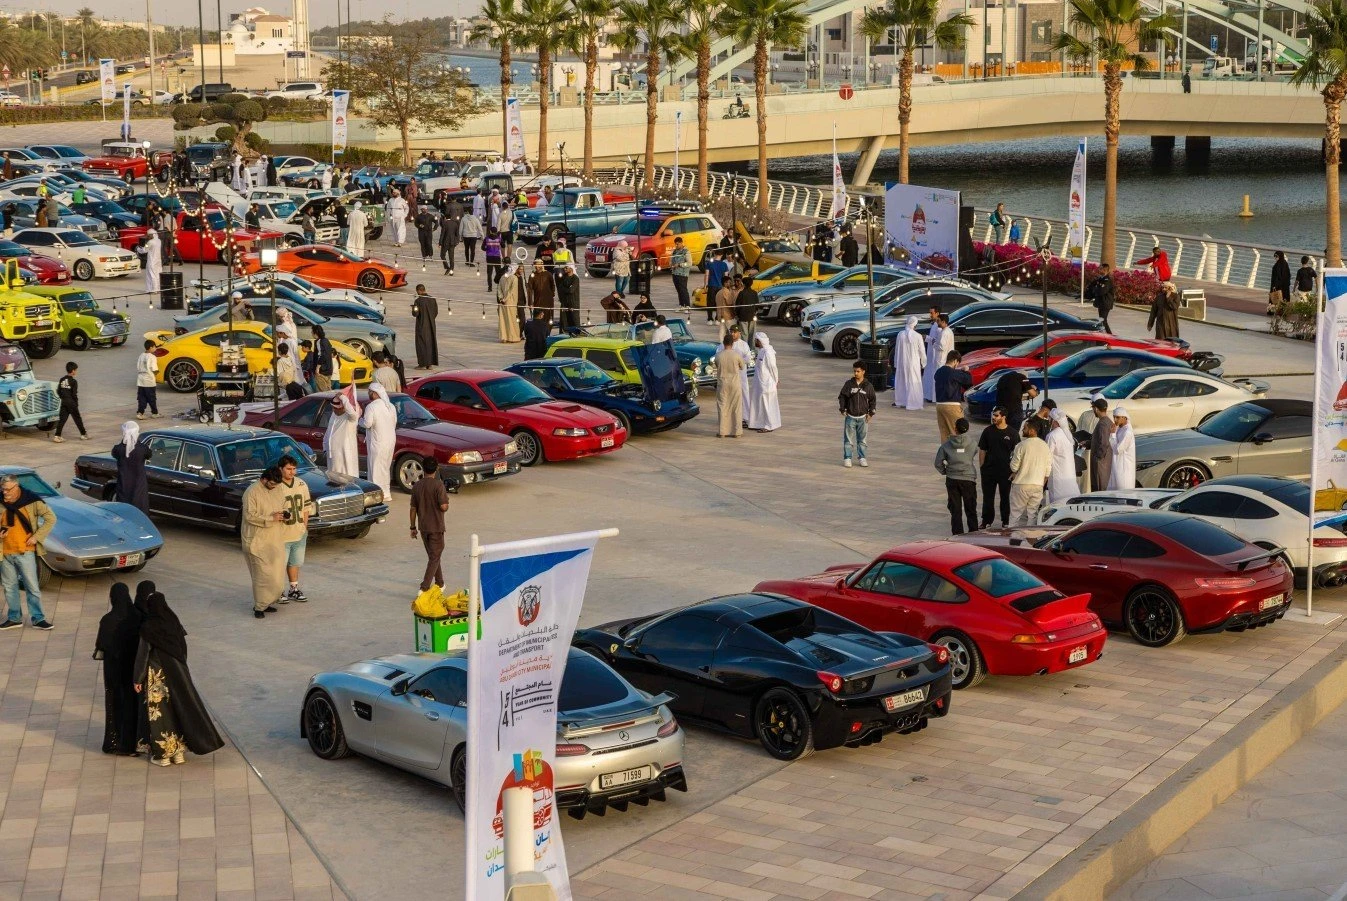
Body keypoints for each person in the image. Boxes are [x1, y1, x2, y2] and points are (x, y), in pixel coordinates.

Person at [133, 590, 225, 763]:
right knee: (179, 709)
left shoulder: (148, 627)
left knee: (160, 714)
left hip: (157, 676)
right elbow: (183, 648)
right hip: (178, 673)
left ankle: (163, 755)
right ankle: (179, 752)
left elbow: (143, 654)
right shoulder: (174, 622)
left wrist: (137, 679)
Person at [0, 475, 55, 631]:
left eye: (8, 489)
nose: (5, 493)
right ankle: (14, 618)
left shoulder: (31, 501)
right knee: (9, 587)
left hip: (25, 552)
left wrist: (36, 537)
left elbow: (51, 518)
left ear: (17, 487)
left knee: (32, 587)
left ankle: (38, 619)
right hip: (4, 552)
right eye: (3, 489)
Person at [95, 583, 142, 755]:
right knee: (132, 704)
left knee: (116, 703)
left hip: (114, 670)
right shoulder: (137, 616)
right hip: (133, 669)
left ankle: (116, 742)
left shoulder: (108, 620)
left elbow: (101, 645)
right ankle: (135, 742)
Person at [240, 467, 289, 619]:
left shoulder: (278, 488)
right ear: (264, 479)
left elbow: (284, 505)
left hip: (275, 538)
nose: (274, 487)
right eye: (272, 484)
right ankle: (259, 607)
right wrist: (271, 518)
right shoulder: (251, 492)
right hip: (256, 540)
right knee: (261, 576)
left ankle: (268, 601)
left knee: (276, 575)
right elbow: (249, 516)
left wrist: (285, 514)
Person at [274, 454, 312, 604]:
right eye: (289, 469)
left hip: (298, 531)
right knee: (279, 564)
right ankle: (278, 591)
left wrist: (304, 526)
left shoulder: (301, 483)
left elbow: (306, 507)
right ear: (280, 469)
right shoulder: (275, 485)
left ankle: (293, 589)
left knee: (295, 562)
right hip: (282, 534)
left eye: (294, 469)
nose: (292, 472)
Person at [410, 456, 449, 592]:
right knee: (434, 556)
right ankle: (424, 588)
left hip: (423, 528)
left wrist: (412, 527)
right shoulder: (438, 485)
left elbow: (413, 509)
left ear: (423, 468)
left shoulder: (417, 486)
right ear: (436, 468)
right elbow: (444, 506)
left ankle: (440, 583)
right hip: (436, 527)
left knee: (434, 556)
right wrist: (446, 501)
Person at [935, 418, 978, 534]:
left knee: (955, 509)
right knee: (971, 508)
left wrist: (946, 471)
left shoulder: (946, 445)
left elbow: (938, 463)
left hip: (952, 479)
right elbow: (973, 453)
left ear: (955, 429)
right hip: (968, 479)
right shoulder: (973, 443)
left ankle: (957, 534)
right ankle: (973, 533)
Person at [977, 406, 1019, 528]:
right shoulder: (988, 431)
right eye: (993, 415)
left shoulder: (1013, 433)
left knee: (1005, 497)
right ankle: (986, 520)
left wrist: (1015, 471)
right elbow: (982, 450)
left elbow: (1017, 453)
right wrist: (982, 467)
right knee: (988, 497)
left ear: (1003, 417)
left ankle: (1005, 521)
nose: (993, 417)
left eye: (996, 415)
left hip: (1005, 472)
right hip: (989, 471)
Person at [1008, 418, 1052, 526]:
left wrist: (1014, 471)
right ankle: (1030, 540)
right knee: (1033, 515)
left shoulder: (1021, 445)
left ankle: (1013, 540)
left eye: (1025, 428)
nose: (1023, 430)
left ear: (1032, 430)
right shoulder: (1045, 446)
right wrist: (1041, 483)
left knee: (1015, 515)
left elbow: (1014, 467)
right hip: (1037, 485)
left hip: (1021, 485)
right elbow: (1048, 470)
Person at [362, 383, 397, 502]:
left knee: (376, 468)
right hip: (390, 441)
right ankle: (386, 493)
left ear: (375, 393)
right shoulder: (391, 406)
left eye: (369, 392)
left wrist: (359, 420)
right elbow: (394, 422)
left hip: (378, 442)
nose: (368, 394)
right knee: (385, 468)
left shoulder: (371, 407)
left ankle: (377, 495)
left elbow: (367, 424)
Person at [839, 362, 876, 467]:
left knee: (862, 440)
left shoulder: (868, 386)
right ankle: (847, 458)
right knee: (848, 440)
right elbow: (842, 396)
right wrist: (842, 409)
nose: (856, 373)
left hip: (863, 418)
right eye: (854, 371)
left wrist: (871, 413)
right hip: (850, 417)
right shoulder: (849, 384)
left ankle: (862, 457)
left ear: (863, 371)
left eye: (858, 371)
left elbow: (873, 400)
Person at [934, 350, 973, 441]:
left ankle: (945, 454)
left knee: (944, 434)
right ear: (955, 361)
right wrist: (966, 371)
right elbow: (968, 381)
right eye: (958, 363)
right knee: (957, 432)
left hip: (939, 405)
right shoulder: (954, 373)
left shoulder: (938, 372)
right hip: (952, 406)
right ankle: (957, 454)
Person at [715, 334, 747, 438]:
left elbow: (716, 365)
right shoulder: (736, 355)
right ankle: (737, 432)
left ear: (723, 343)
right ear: (732, 343)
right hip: (734, 383)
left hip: (722, 383)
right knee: (736, 407)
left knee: (722, 406)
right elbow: (742, 366)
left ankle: (722, 431)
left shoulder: (718, 355)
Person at [747, 333, 780, 432]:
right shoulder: (761, 351)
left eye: (757, 340)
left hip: (767, 384)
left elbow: (773, 368)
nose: (755, 342)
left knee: (767, 404)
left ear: (760, 341)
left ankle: (769, 425)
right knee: (759, 404)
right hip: (759, 384)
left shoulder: (768, 352)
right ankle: (757, 423)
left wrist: (776, 380)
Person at [891, 316, 926, 410]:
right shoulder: (918, 336)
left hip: (902, 362)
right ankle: (914, 403)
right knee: (913, 382)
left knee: (902, 381)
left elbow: (897, 350)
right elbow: (922, 351)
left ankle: (902, 401)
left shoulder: (900, 334)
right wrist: (924, 362)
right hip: (913, 363)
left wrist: (896, 363)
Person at [324, 391, 360, 478]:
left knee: (346, 478)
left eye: (336, 408)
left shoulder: (350, 418)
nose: (333, 410)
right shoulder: (334, 415)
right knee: (333, 479)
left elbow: (352, 413)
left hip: (345, 455)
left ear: (342, 407)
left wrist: (343, 398)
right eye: (332, 407)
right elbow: (328, 432)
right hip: (332, 455)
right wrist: (325, 447)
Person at [1046, 409, 1079, 503]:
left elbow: (1047, 457)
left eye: (1050, 419)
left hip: (1057, 475)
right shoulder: (1067, 435)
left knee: (1058, 502)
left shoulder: (1052, 436)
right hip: (1069, 473)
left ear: (1054, 420)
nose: (1049, 421)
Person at [52, 361, 87, 443]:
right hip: (71, 402)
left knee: (62, 419)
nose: (76, 372)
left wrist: (63, 398)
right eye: (76, 370)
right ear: (73, 371)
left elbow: (58, 391)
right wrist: (76, 403)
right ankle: (83, 434)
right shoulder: (74, 382)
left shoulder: (62, 379)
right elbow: (74, 394)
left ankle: (57, 436)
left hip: (64, 401)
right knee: (77, 418)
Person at [1088, 396, 1114, 491]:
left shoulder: (1103, 424)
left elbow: (1104, 443)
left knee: (1099, 488)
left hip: (1101, 462)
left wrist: (1098, 457)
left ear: (1096, 409)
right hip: (1104, 460)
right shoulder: (1107, 421)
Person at [411, 285, 439, 369]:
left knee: (421, 345)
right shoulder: (432, 299)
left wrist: (413, 308)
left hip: (421, 326)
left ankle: (422, 364)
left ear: (418, 291)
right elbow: (435, 312)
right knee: (430, 344)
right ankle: (429, 364)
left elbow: (415, 314)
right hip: (431, 326)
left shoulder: (418, 301)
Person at [1109, 406, 1136, 490]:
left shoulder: (1127, 432)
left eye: (1117, 417)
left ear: (1124, 417)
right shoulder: (1120, 428)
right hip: (1117, 467)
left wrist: (1112, 434)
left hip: (1124, 470)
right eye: (1114, 417)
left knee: (1123, 494)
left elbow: (1117, 450)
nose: (1115, 420)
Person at [730, 324, 752, 425]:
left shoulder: (744, 344)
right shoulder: (726, 343)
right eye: (732, 332)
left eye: (735, 332)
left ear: (739, 333)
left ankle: (745, 417)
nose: (733, 334)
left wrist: (738, 362)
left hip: (741, 375)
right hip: (730, 375)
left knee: (744, 394)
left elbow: (748, 358)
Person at [1085, 264, 1116, 334]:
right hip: (1101, 303)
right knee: (1102, 320)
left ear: (1105, 270)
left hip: (1105, 303)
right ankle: (1105, 334)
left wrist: (1094, 289)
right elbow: (1092, 285)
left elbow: (1101, 291)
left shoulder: (1107, 281)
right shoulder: (1101, 279)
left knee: (1103, 320)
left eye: (1101, 269)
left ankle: (1110, 336)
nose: (1099, 270)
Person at [496, 267, 523, 343]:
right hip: (510, 302)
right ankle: (513, 337)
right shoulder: (514, 278)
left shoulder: (502, 277)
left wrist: (501, 298)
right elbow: (512, 290)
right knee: (512, 320)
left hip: (502, 302)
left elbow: (499, 289)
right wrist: (505, 299)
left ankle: (504, 337)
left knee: (503, 320)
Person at [922, 315, 944, 402]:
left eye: (932, 313)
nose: (930, 315)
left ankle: (933, 397)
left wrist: (928, 338)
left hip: (936, 357)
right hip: (931, 356)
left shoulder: (940, 328)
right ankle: (929, 396)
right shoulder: (934, 325)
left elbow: (938, 343)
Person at [136, 339, 159, 419]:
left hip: (141, 380)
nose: (155, 348)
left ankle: (140, 412)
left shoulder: (141, 355)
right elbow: (154, 369)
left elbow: (138, 366)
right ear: (151, 347)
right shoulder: (152, 357)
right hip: (149, 380)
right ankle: (154, 413)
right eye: (154, 347)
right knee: (151, 397)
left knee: (141, 397)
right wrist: (157, 374)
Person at [309, 325, 336, 392]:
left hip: (321, 371)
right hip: (329, 369)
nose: (311, 333)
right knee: (328, 390)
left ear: (316, 333)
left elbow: (322, 355)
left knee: (323, 392)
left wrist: (317, 368)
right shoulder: (326, 340)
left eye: (312, 332)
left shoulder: (319, 341)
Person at [704, 250, 729, 323]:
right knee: (719, 303)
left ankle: (710, 319)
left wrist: (705, 285)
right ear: (722, 255)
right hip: (720, 286)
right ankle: (717, 319)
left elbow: (707, 275)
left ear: (714, 254)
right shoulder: (724, 264)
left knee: (710, 302)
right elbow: (726, 276)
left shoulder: (709, 263)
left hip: (711, 285)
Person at [528, 258, 555, 322]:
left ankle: (547, 331)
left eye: (538, 265)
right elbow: (529, 289)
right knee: (538, 317)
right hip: (538, 300)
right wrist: (530, 303)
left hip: (548, 300)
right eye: (536, 265)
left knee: (548, 317)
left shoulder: (548, 274)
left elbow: (552, 285)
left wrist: (552, 294)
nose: (537, 267)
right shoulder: (532, 276)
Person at [735, 275, 759, 344]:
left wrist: (737, 314)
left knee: (744, 334)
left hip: (743, 317)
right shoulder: (754, 293)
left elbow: (737, 305)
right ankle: (752, 349)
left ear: (743, 284)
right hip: (752, 316)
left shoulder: (741, 293)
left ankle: (745, 349)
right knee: (752, 334)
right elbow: (757, 305)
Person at [556, 262, 581, 329]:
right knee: (564, 321)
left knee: (574, 320)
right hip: (564, 303)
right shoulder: (563, 277)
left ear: (571, 268)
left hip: (573, 303)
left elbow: (571, 290)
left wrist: (564, 288)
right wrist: (566, 288)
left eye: (566, 268)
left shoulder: (575, 278)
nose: (565, 269)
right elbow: (560, 287)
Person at [439, 201, 461, 275]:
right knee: (451, 257)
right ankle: (451, 270)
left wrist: (440, 243)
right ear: (451, 217)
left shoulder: (445, 224)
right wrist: (457, 240)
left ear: (445, 218)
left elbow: (442, 234)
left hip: (445, 242)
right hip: (453, 242)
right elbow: (457, 233)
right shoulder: (455, 223)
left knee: (442, 255)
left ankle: (447, 267)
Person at [670, 237, 692, 307]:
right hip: (675, 273)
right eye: (675, 244)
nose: (676, 246)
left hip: (682, 274)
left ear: (681, 243)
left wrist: (680, 265)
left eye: (677, 244)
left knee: (683, 290)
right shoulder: (674, 251)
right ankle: (681, 304)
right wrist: (671, 264)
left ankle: (687, 305)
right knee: (679, 290)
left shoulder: (686, 251)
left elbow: (689, 263)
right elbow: (671, 260)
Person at [715, 276, 739, 341]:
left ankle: (721, 344)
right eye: (729, 282)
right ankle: (733, 344)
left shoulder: (718, 292)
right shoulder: (726, 291)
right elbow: (729, 302)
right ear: (725, 283)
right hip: (727, 315)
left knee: (722, 331)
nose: (730, 284)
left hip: (720, 315)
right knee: (733, 330)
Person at [1269, 250, 1291, 317]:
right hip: (1285, 285)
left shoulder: (1278, 265)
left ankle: (1273, 311)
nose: (1275, 257)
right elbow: (1288, 275)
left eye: (1276, 256)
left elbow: (1278, 276)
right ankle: (1284, 312)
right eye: (1275, 256)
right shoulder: (1285, 263)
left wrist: (1275, 285)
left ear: (1280, 256)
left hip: (1278, 285)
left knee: (1275, 297)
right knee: (1284, 298)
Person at [143, 229, 162, 303]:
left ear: (152, 235)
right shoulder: (159, 241)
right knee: (157, 275)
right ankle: (157, 289)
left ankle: (152, 289)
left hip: (152, 261)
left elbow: (144, 250)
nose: (148, 236)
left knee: (151, 275)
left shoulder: (150, 242)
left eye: (149, 235)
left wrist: (138, 249)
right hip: (158, 261)